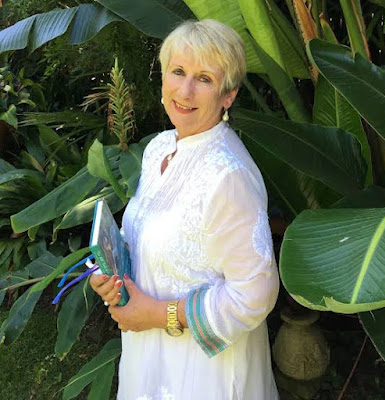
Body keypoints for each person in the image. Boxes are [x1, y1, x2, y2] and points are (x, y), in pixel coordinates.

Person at [90, 19, 280, 400]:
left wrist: (159, 314)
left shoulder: (228, 177)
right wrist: (110, 274)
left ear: (228, 95)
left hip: (204, 374)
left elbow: (256, 294)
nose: (185, 90)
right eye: (178, 71)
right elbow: (146, 238)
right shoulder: (159, 148)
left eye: (204, 78)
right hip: (149, 356)